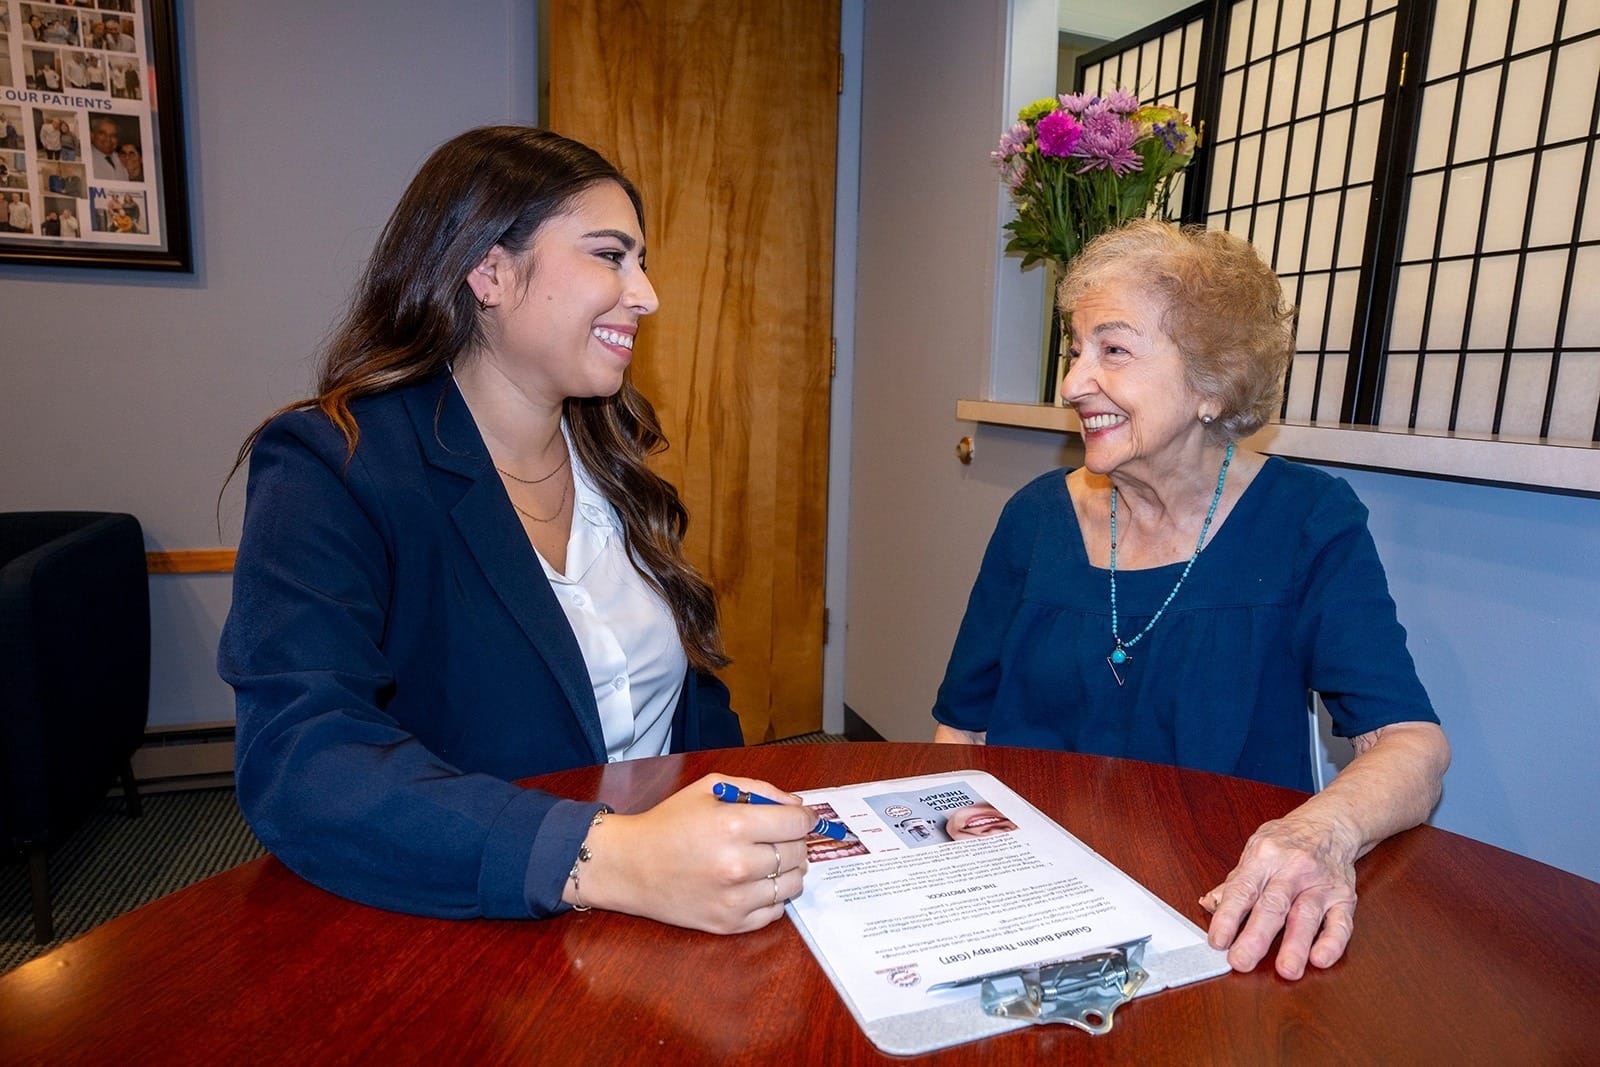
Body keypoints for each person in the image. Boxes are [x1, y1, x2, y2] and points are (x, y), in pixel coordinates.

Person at [218, 126, 813, 933]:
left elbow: (691, 705)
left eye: (641, 260)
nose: (646, 293)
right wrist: (610, 858)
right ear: (489, 269)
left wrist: (739, 818)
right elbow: (303, 760)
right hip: (470, 929)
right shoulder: (335, 464)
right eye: (611, 255)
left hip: (672, 915)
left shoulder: (616, 458)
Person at [932, 220, 1450, 981]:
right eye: (1075, 351)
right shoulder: (1036, 517)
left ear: (1212, 379)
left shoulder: (1306, 519)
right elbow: (960, 730)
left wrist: (1322, 833)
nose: (1074, 383)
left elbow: (1412, 744)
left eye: (1113, 349)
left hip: (1217, 910)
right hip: (1031, 904)